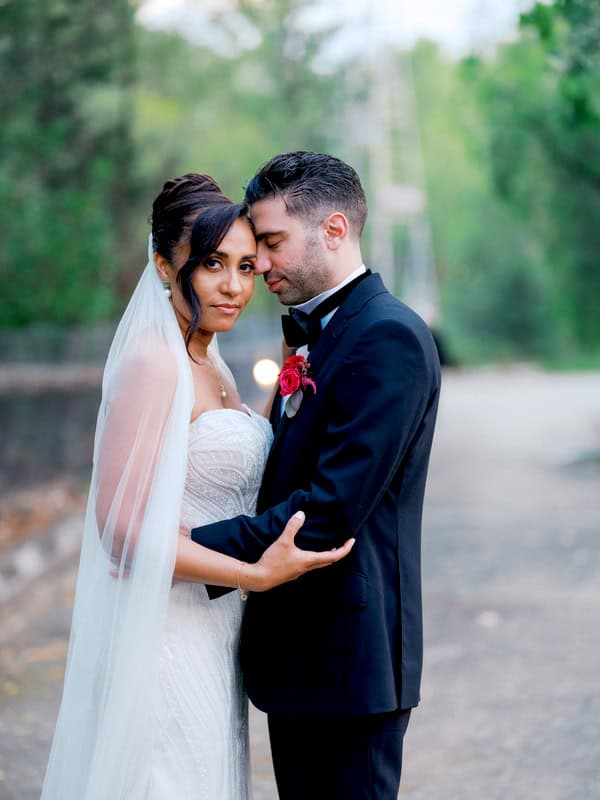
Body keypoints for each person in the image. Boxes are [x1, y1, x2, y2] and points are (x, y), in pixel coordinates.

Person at [40, 173, 353, 800]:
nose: (235, 287)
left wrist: (296, 384)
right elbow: (122, 532)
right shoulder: (155, 362)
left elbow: (222, 469)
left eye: (245, 265)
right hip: (164, 635)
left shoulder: (208, 359)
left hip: (212, 632)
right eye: (212, 266)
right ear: (163, 265)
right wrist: (257, 576)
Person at [190, 152, 442, 799]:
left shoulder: (389, 338)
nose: (261, 265)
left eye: (271, 243)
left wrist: (187, 547)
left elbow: (326, 512)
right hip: (305, 660)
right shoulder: (318, 335)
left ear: (333, 230)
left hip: (350, 665)